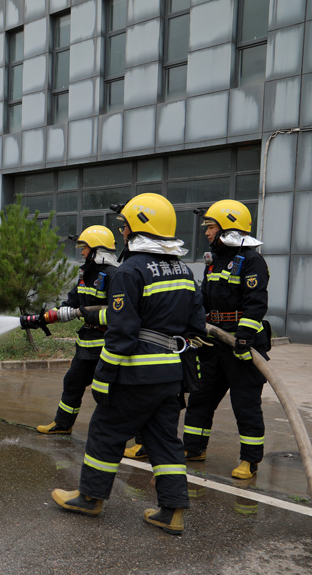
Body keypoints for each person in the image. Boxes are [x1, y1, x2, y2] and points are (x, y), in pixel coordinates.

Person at [51, 193, 206, 535]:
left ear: (138, 229)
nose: (122, 232)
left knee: (105, 431)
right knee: (164, 440)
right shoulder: (185, 271)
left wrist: (104, 375)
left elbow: (122, 331)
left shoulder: (131, 270)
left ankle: (90, 497)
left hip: (137, 374)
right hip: (172, 375)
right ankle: (172, 510)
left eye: (125, 226)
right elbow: (196, 325)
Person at [181, 200, 270, 480]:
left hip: (241, 344)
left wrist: (244, 338)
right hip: (214, 343)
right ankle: (193, 448)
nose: (207, 232)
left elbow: (256, 303)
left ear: (229, 229)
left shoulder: (252, 261)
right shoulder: (215, 261)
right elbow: (204, 300)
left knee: (245, 406)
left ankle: (249, 460)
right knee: (200, 398)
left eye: (211, 227)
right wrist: (196, 328)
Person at [31, 225, 119, 435]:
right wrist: (48, 317)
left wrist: (85, 313)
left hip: (107, 346)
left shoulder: (114, 275)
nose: (82, 253)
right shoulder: (86, 274)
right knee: (72, 382)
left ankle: (119, 436)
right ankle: (63, 424)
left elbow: (118, 313)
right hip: (87, 346)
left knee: (111, 392)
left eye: (85, 248)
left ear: (97, 250)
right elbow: (72, 302)